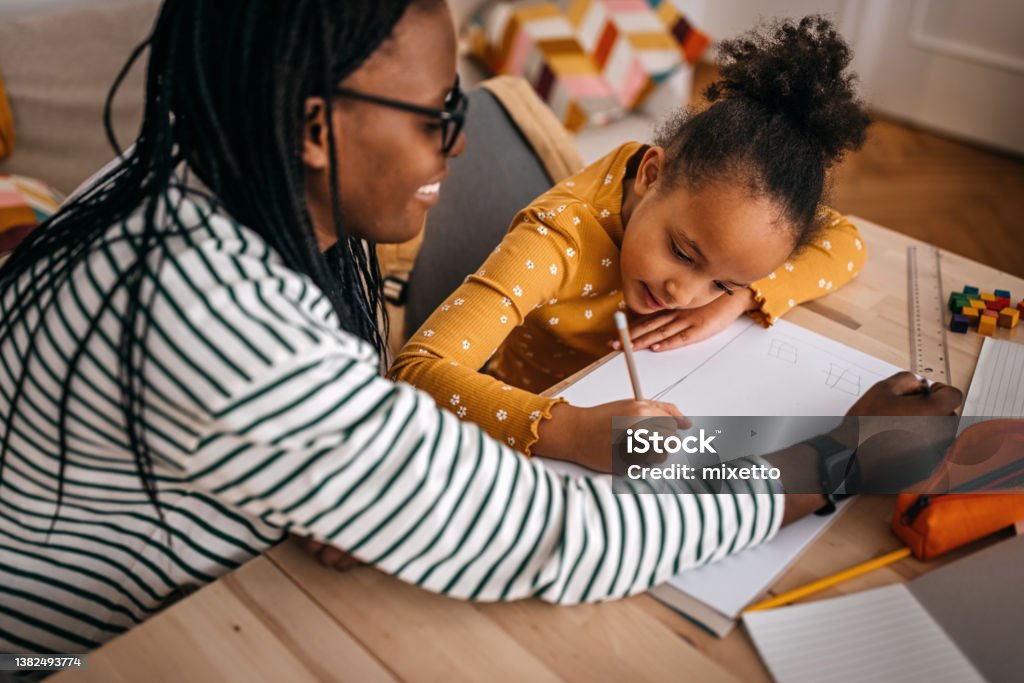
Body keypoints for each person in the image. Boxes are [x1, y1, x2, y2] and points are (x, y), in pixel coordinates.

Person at [0, 0, 961, 655]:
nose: (458, 142)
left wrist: (340, 486)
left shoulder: (185, 182)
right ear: (312, 125)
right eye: (434, 114)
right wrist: (836, 458)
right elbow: (555, 533)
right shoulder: (230, 326)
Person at [391, 17, 874, 471]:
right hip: (533, 429)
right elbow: (416, 370)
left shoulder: (734, 207)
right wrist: (575, 431)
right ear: (650, 174)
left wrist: (743, 298)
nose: (684, 295)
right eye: (684, 254)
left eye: (722, 283)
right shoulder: (558, 238)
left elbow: (847, 241)